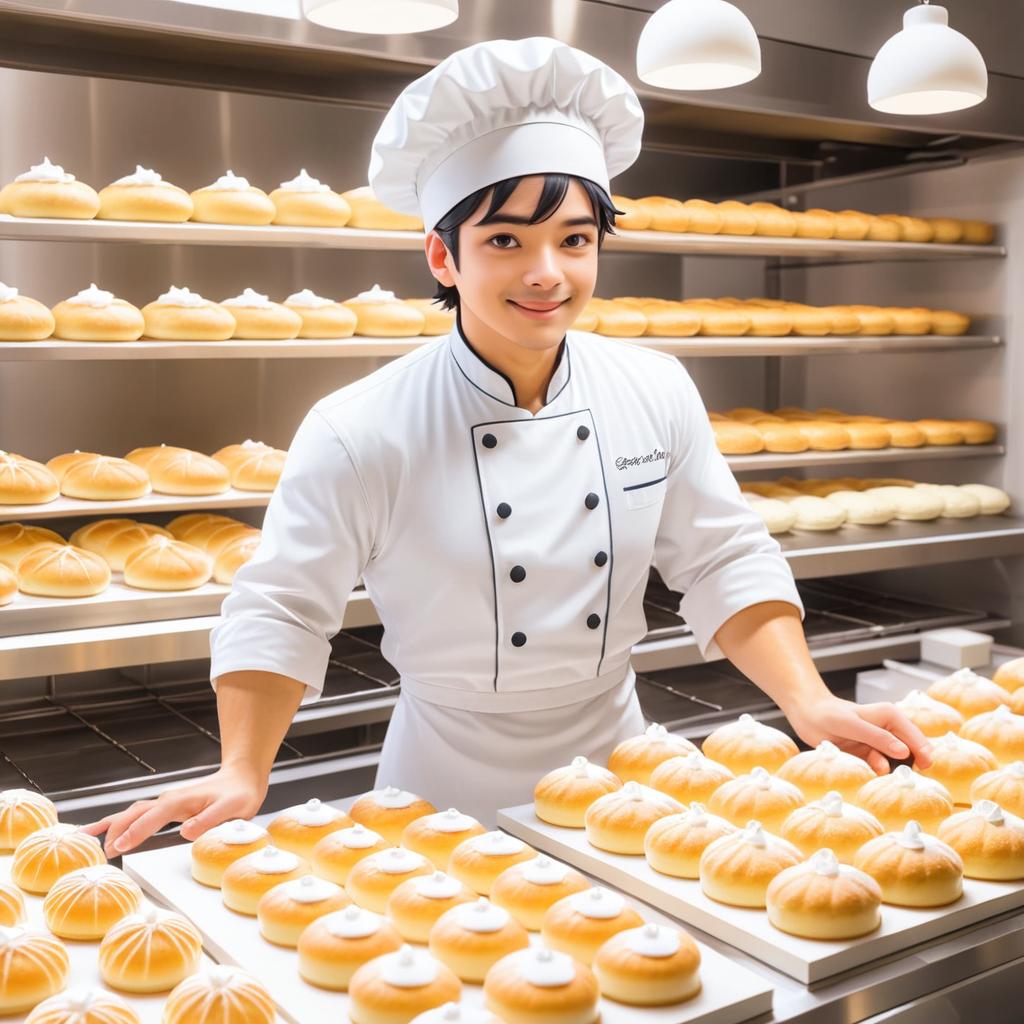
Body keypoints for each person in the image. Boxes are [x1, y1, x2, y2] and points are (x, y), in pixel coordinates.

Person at [84, 37, 931, 858]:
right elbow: (282, 607)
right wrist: (243, 769)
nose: (546, 274)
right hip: (438, 796)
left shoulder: (655, 388)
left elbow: (722, 559)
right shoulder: (360, 426)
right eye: (504, 242)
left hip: (622, 781)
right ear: (441, 257)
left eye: (574, 239)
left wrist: (811, 702)